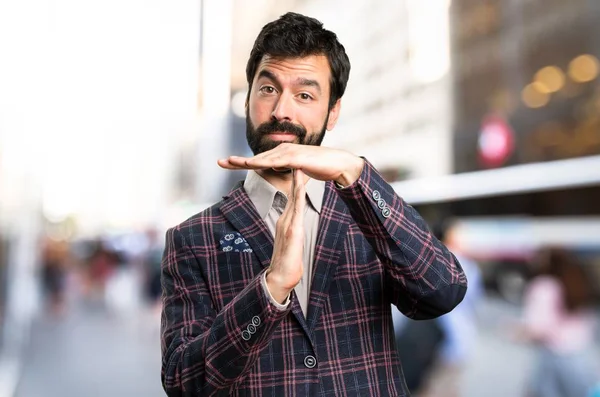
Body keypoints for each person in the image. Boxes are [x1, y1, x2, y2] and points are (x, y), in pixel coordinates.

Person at [160, 12, 467, 396]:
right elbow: (182, 382)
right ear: (249, 98)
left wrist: (352, 169)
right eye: (268, 89)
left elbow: (443, 291)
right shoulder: (193, 238)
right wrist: (269, 291)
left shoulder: (368, 211)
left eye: (304, 95)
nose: (281, 111)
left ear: (332, 111)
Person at [515, 247, 599, 397]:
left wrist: (516, 332)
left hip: (553, 357)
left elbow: (538, 328)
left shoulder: (544, 286)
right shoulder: (577, 282)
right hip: (581, 357)